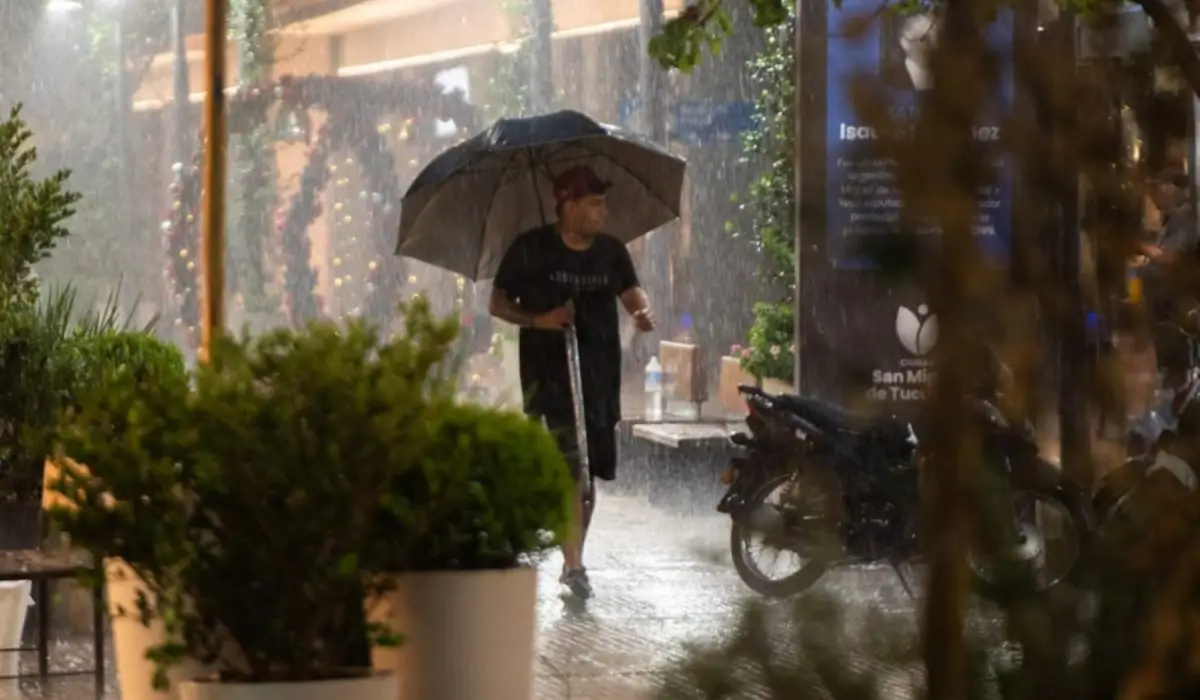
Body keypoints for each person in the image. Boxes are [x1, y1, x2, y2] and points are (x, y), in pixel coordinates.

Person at [489, 165, 655, 600]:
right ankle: (575, 563)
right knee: (569, 466)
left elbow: (631, 290)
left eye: (604, 204)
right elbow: (497, 302)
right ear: (568, 204)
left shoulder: (611, 252)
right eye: (595, 204)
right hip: (550, 376)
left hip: (599, 375)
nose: (603, 212)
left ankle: (572, 558)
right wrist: (538, 320)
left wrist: (641, 311)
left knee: (588, 474)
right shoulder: (531, 249)